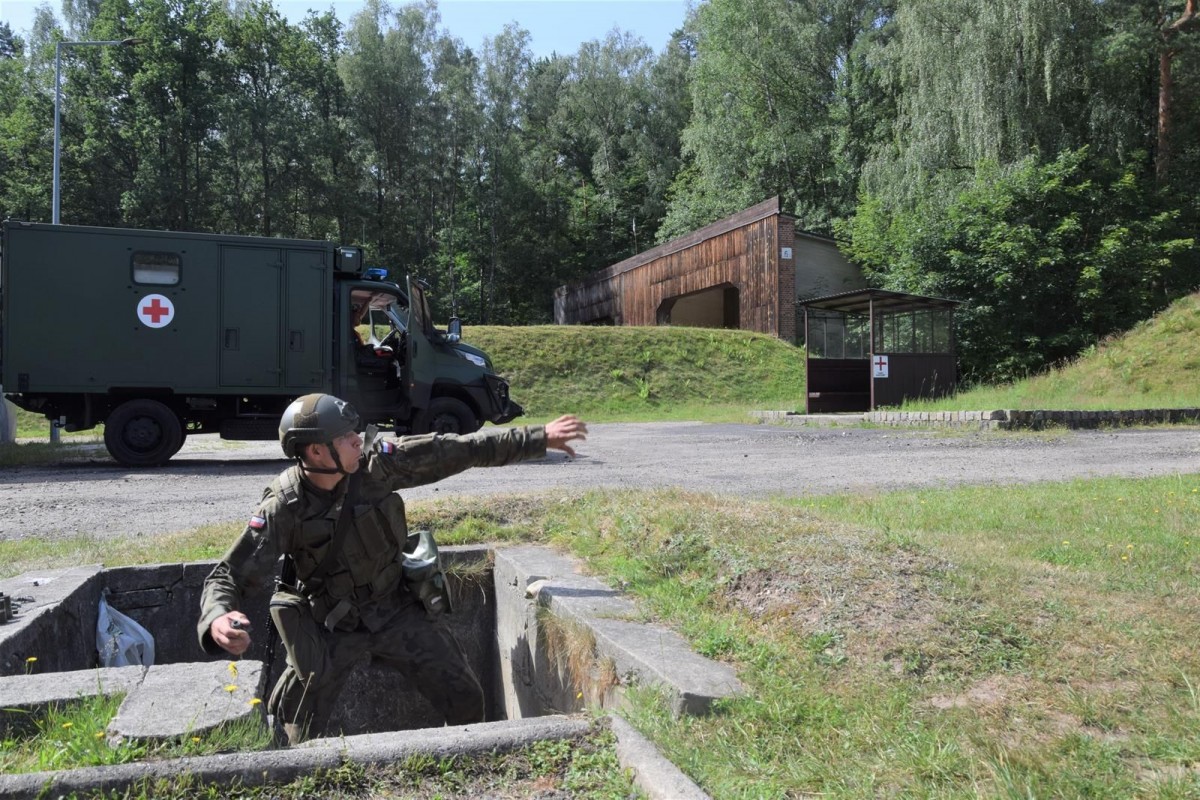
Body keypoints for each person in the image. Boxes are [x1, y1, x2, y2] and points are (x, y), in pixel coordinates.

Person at [196, 393, 587, 744]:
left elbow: (458, 451)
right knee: (295, 723)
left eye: (356, 433)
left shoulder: (376, 468)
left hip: (395, 608)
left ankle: (465, 765)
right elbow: (228, 575)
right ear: (316, 452)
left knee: (466, 697)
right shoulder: (285, 507)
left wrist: (537, 438)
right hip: (331, 624)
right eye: (346, 438)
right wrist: (217, 619)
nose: (358, 441)